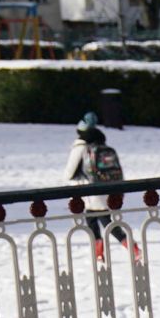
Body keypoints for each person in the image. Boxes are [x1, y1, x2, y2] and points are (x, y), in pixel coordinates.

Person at [66, 112, 141, 263]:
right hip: (107, 189)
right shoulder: (102, 147)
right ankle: (119, 249)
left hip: (90, 192)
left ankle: (111, 251)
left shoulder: (80, 148)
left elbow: (69, 173)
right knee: (100, 220)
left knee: (102, 221)